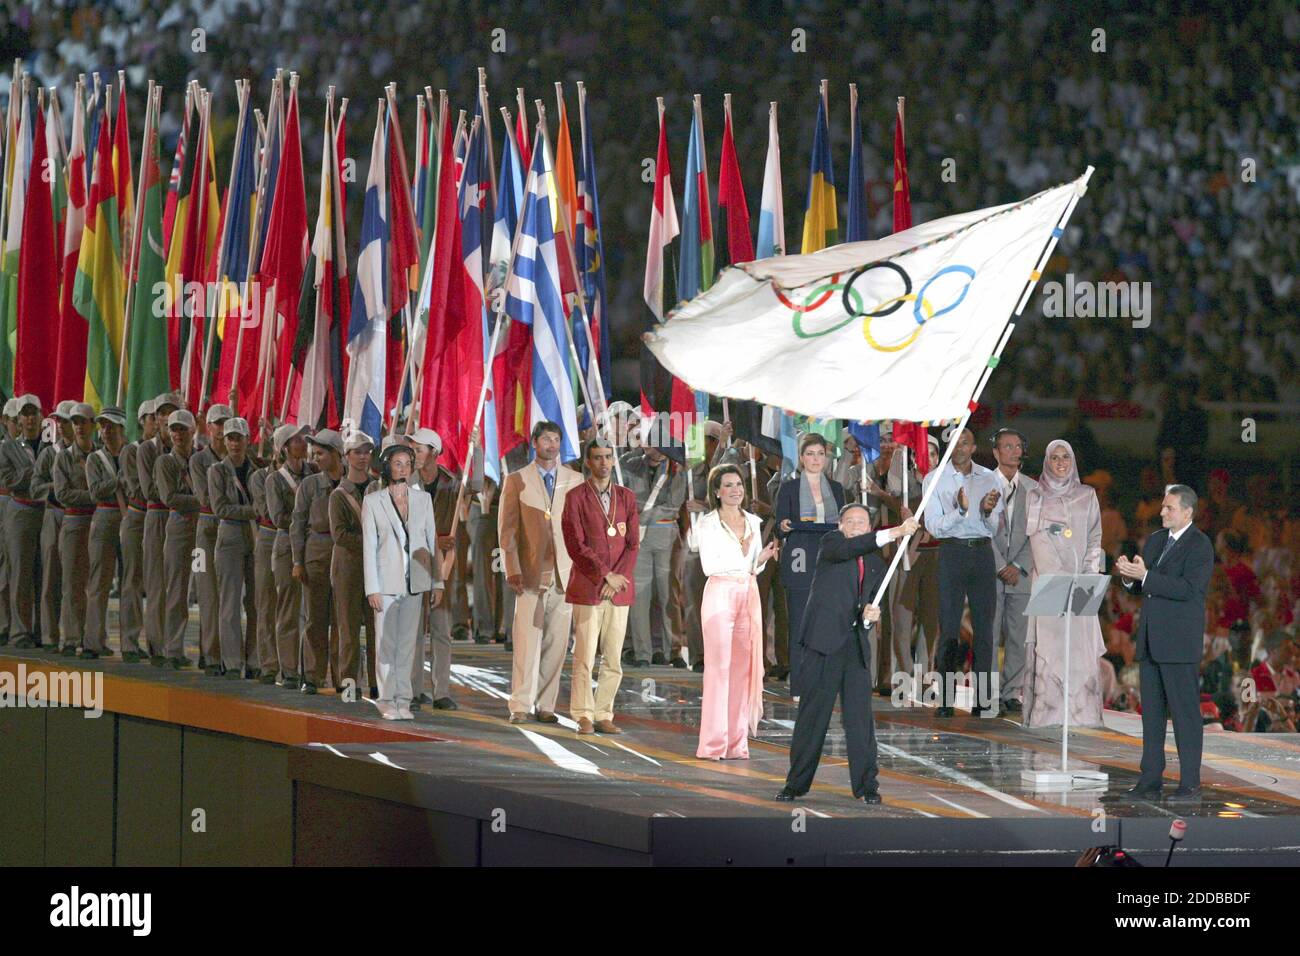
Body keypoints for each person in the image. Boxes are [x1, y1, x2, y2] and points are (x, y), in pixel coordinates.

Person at [776, 504, 920, 802]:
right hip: (822, 645)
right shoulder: (831, 544)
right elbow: (852, 548)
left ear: (869, 527)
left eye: (862, 522)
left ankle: (867, 787)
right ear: (840, 525)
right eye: (850, 521)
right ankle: (795, 784)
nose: (855, 525)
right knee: (812, 718)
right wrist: (895, 532)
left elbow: (866, 610)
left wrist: (869, 617)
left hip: (854, 648)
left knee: (860, 722)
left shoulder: (877, 565)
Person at [1115, 484, 1214, 801]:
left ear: (1187, 511)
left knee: (1185, 716)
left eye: (1168, 508)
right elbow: (1144, 586)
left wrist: (1144, 577)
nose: (1162, 512)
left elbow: (1188, 589)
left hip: (1179, 643)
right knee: (1152, 715)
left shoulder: (1200, 546)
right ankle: (1150, 779)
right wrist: (1130, 577)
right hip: (1151, 641)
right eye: (1163, 507)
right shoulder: (1156, 540)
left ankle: (1189, 783)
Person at [690, 464, 778, 759]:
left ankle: (736, 743)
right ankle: (713, 743)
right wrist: (747, 563)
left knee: (743, 669)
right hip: (720, 593)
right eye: (728, 485)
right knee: (719, 669)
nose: (735, 490)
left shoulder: (754, 521)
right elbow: (710, 565)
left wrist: (762, 559)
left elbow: (752, 565)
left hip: (748, 593)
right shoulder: (706, 523)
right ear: (717, 491)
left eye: (738, 484)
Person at [498, 421, 581, 724]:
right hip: (530, 574)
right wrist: (512, 568)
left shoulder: (575, 479)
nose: (552, 445)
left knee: (557, 645)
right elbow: (507, 530)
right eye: (546, 439)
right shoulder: (517, 479)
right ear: (535, 443)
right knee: (525, 643)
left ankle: (546, 706)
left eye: (557, 440)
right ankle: (520, 705)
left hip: (565, 574)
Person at [1022, 439, 1105, 728]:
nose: (1060, 462)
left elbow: (1095, 536)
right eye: (1055, 457)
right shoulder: (1035, 496)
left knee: (1081, 648)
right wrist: (1059, 576)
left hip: (1081, 584)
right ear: (1047, 461)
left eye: (1065, 457)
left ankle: (1082, 715)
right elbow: (1036, 538)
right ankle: (1048, 715)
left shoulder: (1087, 495)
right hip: (1050, 583)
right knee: (1051, 647)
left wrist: (1086, 571)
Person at [922, 426, 1003, 716]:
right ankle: (945, 699)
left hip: (982, 553)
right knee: (949, 629)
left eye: (965, 443)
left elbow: (995, 527)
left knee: (984, 629)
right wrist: (961, 511)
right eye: (954, 443)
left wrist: (987, 511)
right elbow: (933, 525)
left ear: (973, 447)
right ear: (948, 447)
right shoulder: (934, 479)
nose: (959, 448)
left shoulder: (990, 477)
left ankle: (982, 701)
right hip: (952, 552)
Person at [561, 437, 640, 735]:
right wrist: (606, 575)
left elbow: (633, 545)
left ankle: (604, 712)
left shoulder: (627, 497)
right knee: (584, 655)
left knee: (614, 656)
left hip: (619, 591)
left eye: (608, 457)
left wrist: (617, 578)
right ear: (588, 461)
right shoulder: (576, 497)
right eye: (598, 457)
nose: (604, 462)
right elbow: (576, 546)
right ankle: (582, 713)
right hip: (589, 587)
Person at [362, 444, 443, 720]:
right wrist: (371, 587)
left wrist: (437, 582)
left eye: (407, 463)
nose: (404, 468)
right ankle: (386, 699)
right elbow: (369, 547)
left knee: (408, 643)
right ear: (387, 467)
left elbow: (432, 542)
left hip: (415, 581)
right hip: (385, 582)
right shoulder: (373, 502)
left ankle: (403, 699)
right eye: (397, 463)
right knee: (386, 643)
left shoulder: (423, 501)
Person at [774, 432, 846, 698]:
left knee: (827, 623)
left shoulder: (837, 489)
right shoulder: (789, 488)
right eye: (810, 454)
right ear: (802, 458)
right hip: (800, 559)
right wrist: (784, 527)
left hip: (829, 560)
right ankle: (799, 685)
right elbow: (780, 527)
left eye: (820, 454)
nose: (816, 459)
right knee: (800, 623)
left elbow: (844, 527)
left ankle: (826, 683)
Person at [622, 441, 687, 666]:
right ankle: (642, 653)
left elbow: (673, 505)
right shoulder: (629, 464)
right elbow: (624, 497)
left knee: (668, 595)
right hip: (637, 538)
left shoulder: (677, 469)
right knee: (639, 597)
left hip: (665, 536)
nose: (656, 448)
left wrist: (642, 516)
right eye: (651, 442)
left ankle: (673, 651)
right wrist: (637, 515)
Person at [292, 429, 345, 695]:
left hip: (346, 556)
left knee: (342, 620)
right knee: (314, 618)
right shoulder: (310, 485)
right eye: (314, 453)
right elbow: (298, 524)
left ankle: (342, 677)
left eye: (321, 453)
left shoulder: (353, 483)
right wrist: (297, 561)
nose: (315, 458)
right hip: (317, 555)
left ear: (337, 454)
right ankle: (311, 676)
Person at [409, 428, 458, 708]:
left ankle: (442, 692)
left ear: (434, 453)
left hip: (444, 564)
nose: (414, 454)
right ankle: (415, 688)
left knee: (441, 628)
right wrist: (434, 539)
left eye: (419, 449)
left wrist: (475, 448)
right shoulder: (404, 483)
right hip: (415, 561)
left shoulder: (452, 484)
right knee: (415, 629)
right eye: (413, 448)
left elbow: (475, 486)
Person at [989, 427, 1036, 714]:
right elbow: (980, 529)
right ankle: (991, 692)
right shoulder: (982, 484)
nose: (1015, 451)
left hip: (1021, 573)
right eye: (1008, 446)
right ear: (996, 452)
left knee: (1019, 636)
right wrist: (999, 564)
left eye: (1018, 446)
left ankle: (1011, 691)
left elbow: (1037, 533)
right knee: (990, 634)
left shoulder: (1033, 488)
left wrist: (1017, 565)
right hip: (991, 571)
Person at [329, 432, 378, 700]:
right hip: (348, 567)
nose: (362, 457)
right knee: (348, 629)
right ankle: (349, 685)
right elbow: (340, 535)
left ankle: (376, 684)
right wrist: (372, 540)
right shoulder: (338, 495)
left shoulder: (378, 488)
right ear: (347, 456)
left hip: (374, 570)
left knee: (375, 630)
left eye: (367, 451)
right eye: (357, 452)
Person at [209, 417, 258, 678]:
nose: (234, 443)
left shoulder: (257, 469)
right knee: (229, 602)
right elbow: (220, 508)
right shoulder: (217, 470)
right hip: (229, 536)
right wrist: (252, 511)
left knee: (256, 602)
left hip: (254, 537)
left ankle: (254, 660)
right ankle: (230, 662)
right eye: (230, 438)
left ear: (247, 440)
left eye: (239, 437)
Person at [266, 423, 315, 687]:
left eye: (303, 440)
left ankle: (309, 668)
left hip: (310, 545)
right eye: (296, 440)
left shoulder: (313, 473)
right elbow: (278, 517)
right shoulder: (275, 479)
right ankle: (288, 670)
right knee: (287, 609)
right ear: (285, 447)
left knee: (311, 611)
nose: (303, 444)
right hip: (286, 546)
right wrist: (306, 521)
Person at [0, 394, 47, 648]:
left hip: (45, 511)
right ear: (18, 420)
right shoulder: (8, 448)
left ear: (41, 416)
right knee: (19, 573)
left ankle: (43, 631)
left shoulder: (51, 446)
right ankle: (20, 631)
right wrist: (36, 473)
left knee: (46, 574)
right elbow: (10, 480)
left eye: (34, 413)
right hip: (20, 511)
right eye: (25, 414)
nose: (29, 419)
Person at [81, 406, 128, 659]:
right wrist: (119, 481)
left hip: (129, 518)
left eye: (111, 426)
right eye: (103, 426)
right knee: (99, 581)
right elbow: (96, 490)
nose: (106, 431)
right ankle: (93, 640)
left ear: (122, 428)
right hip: (105, 516)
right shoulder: (94, 459)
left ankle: (130, 643)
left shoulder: (132, 454)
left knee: (130, 581)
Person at [52, 403, 97, 655]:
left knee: (94, 583)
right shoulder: (63, 457)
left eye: (83, 421)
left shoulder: (99, 456)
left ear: (93, 425)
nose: (79, 426)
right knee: (71, 583)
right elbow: (63, 494)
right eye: (75, 422)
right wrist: (94, 495)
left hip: (96, 523)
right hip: (73, 522)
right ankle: (70, 638)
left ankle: (91, 639)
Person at [156, 409, 200, 668]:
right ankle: (172, 648)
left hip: (201, 530)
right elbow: (170, 497)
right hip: (179, 529)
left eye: (182, 429)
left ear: (193, 431)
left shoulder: (200, 459)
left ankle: (209, 651)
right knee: (177, 590)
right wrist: (203, 501)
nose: (177, 434)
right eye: (173, 429)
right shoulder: (166, 462)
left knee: (204, 589)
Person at [189, 403, 232, 670]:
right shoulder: (198, 460)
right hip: (204, 532)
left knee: (228, 596)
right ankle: (210, 653)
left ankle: (227, 654)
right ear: (208, 427)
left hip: (229, 531)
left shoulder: (240, 459)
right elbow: (205, 497)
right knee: (207, 593)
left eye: (226, 423)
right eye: (217, 423)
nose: (220, 428)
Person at [139, 392, 181, 659]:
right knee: (156, 582)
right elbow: (149, 490)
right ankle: (156, 645)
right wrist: (173, 492)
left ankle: (174, 646)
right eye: (162, 413)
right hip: (156, 517)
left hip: (179, 519)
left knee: (177, 586)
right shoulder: (147, 449)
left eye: (171, 412)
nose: (167, 419)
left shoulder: (186, 447)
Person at [35, 401, 76, 650]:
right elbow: (35, 485)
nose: (61, 426)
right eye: (58, 421)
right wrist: (56, 487)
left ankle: (75, 636)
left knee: (75, 580)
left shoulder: (88, 453)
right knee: (50, 576)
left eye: (66, 421)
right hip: (54, 513)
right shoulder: (50, 453)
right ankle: (49, 636)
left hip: (78, 516)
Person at [117, 400, 154, 662]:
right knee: (132, 581)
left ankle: (158, 643)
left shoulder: (164, 451)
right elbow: (137, 488)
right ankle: (129, 642)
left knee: (156, 583)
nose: (157, 421)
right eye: (152, 417)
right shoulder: (132, 451)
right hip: (139, 516)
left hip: (158, 520)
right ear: (142, 421)